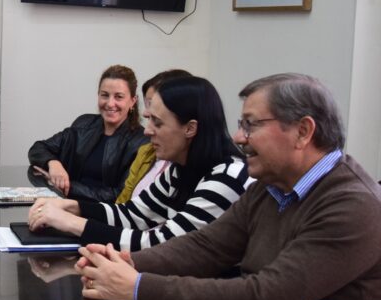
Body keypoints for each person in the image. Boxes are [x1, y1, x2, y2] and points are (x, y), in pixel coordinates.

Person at [75, 73, 381, 300]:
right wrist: (124, 264)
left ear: (303, 131)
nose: (239, 137)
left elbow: (262, 298)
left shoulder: (352, 207)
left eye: (251, 125)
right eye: (241, 125)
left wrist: (138, 287)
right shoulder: (271, 186)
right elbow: (205, 246)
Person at [28, 76, 251, 251]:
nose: (147, 130)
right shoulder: (179, 169)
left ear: (190, 128)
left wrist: (71, 222)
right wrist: (73, 207)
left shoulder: (226, 177)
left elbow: (161, 244)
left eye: (157, 122)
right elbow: (133, 215)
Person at [28, 64, 147, 202]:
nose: (110, 103)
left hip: (100, 217)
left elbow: (119, 194)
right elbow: (37, 149)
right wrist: (53, 163)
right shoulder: (83, 124)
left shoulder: (142, 141)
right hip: (64, 206)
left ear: (133, 101)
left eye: (118, 97)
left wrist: (68, 187)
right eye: (105, 95)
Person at [115, 69, 192, 203]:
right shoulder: (146, 152)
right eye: (147, 104)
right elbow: (125, 206)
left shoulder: (194, 169)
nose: (146, 112)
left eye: (153, 103)